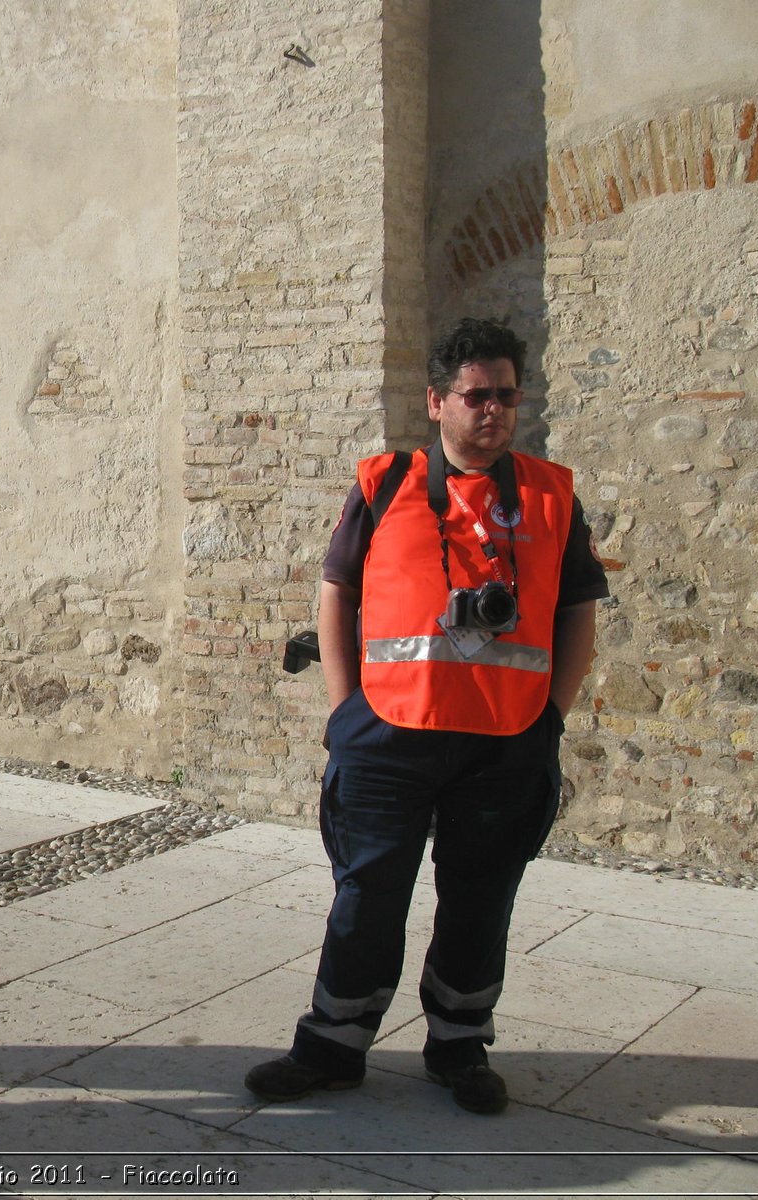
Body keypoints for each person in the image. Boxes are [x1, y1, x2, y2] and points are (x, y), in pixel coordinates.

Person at [246, 317, 608, 1115]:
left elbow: (580, 607)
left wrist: (553, 716)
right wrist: (345, 710)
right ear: (437, 401)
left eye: (507, 397)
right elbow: (337, 590)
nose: (495, 411)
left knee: (481, 900)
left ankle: (459, 1046)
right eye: (477, 396)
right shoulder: (385, 483)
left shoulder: (550, 494)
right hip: (387, 735)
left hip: (507, 740)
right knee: (368, 893)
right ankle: (333, 1046)